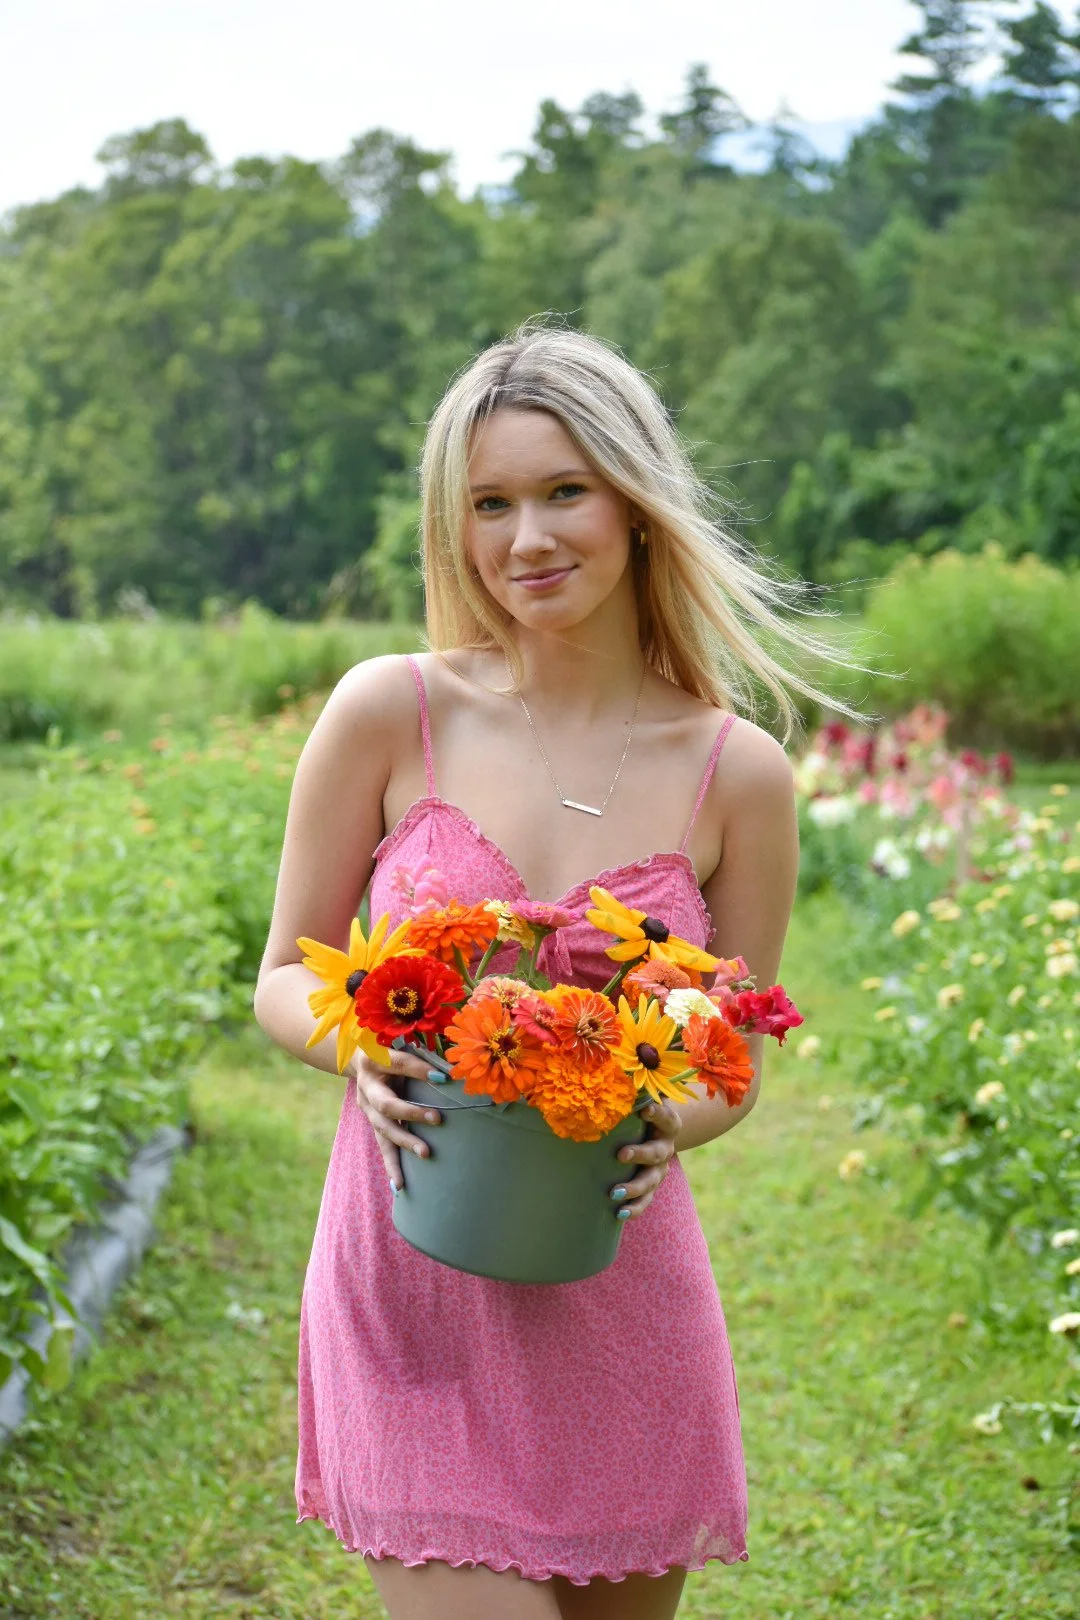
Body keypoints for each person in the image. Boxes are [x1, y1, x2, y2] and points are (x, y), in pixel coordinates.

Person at [254, 321, 822, 1620]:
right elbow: (284, 972)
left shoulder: (736, 773)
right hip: (413, 1284)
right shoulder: (389, 711)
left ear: (636, 503)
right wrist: (360, 1045)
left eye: (564, 490)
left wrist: (676, 1112)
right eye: (489, 504)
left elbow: (734, 1053)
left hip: (620, 1299)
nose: (527, 539)